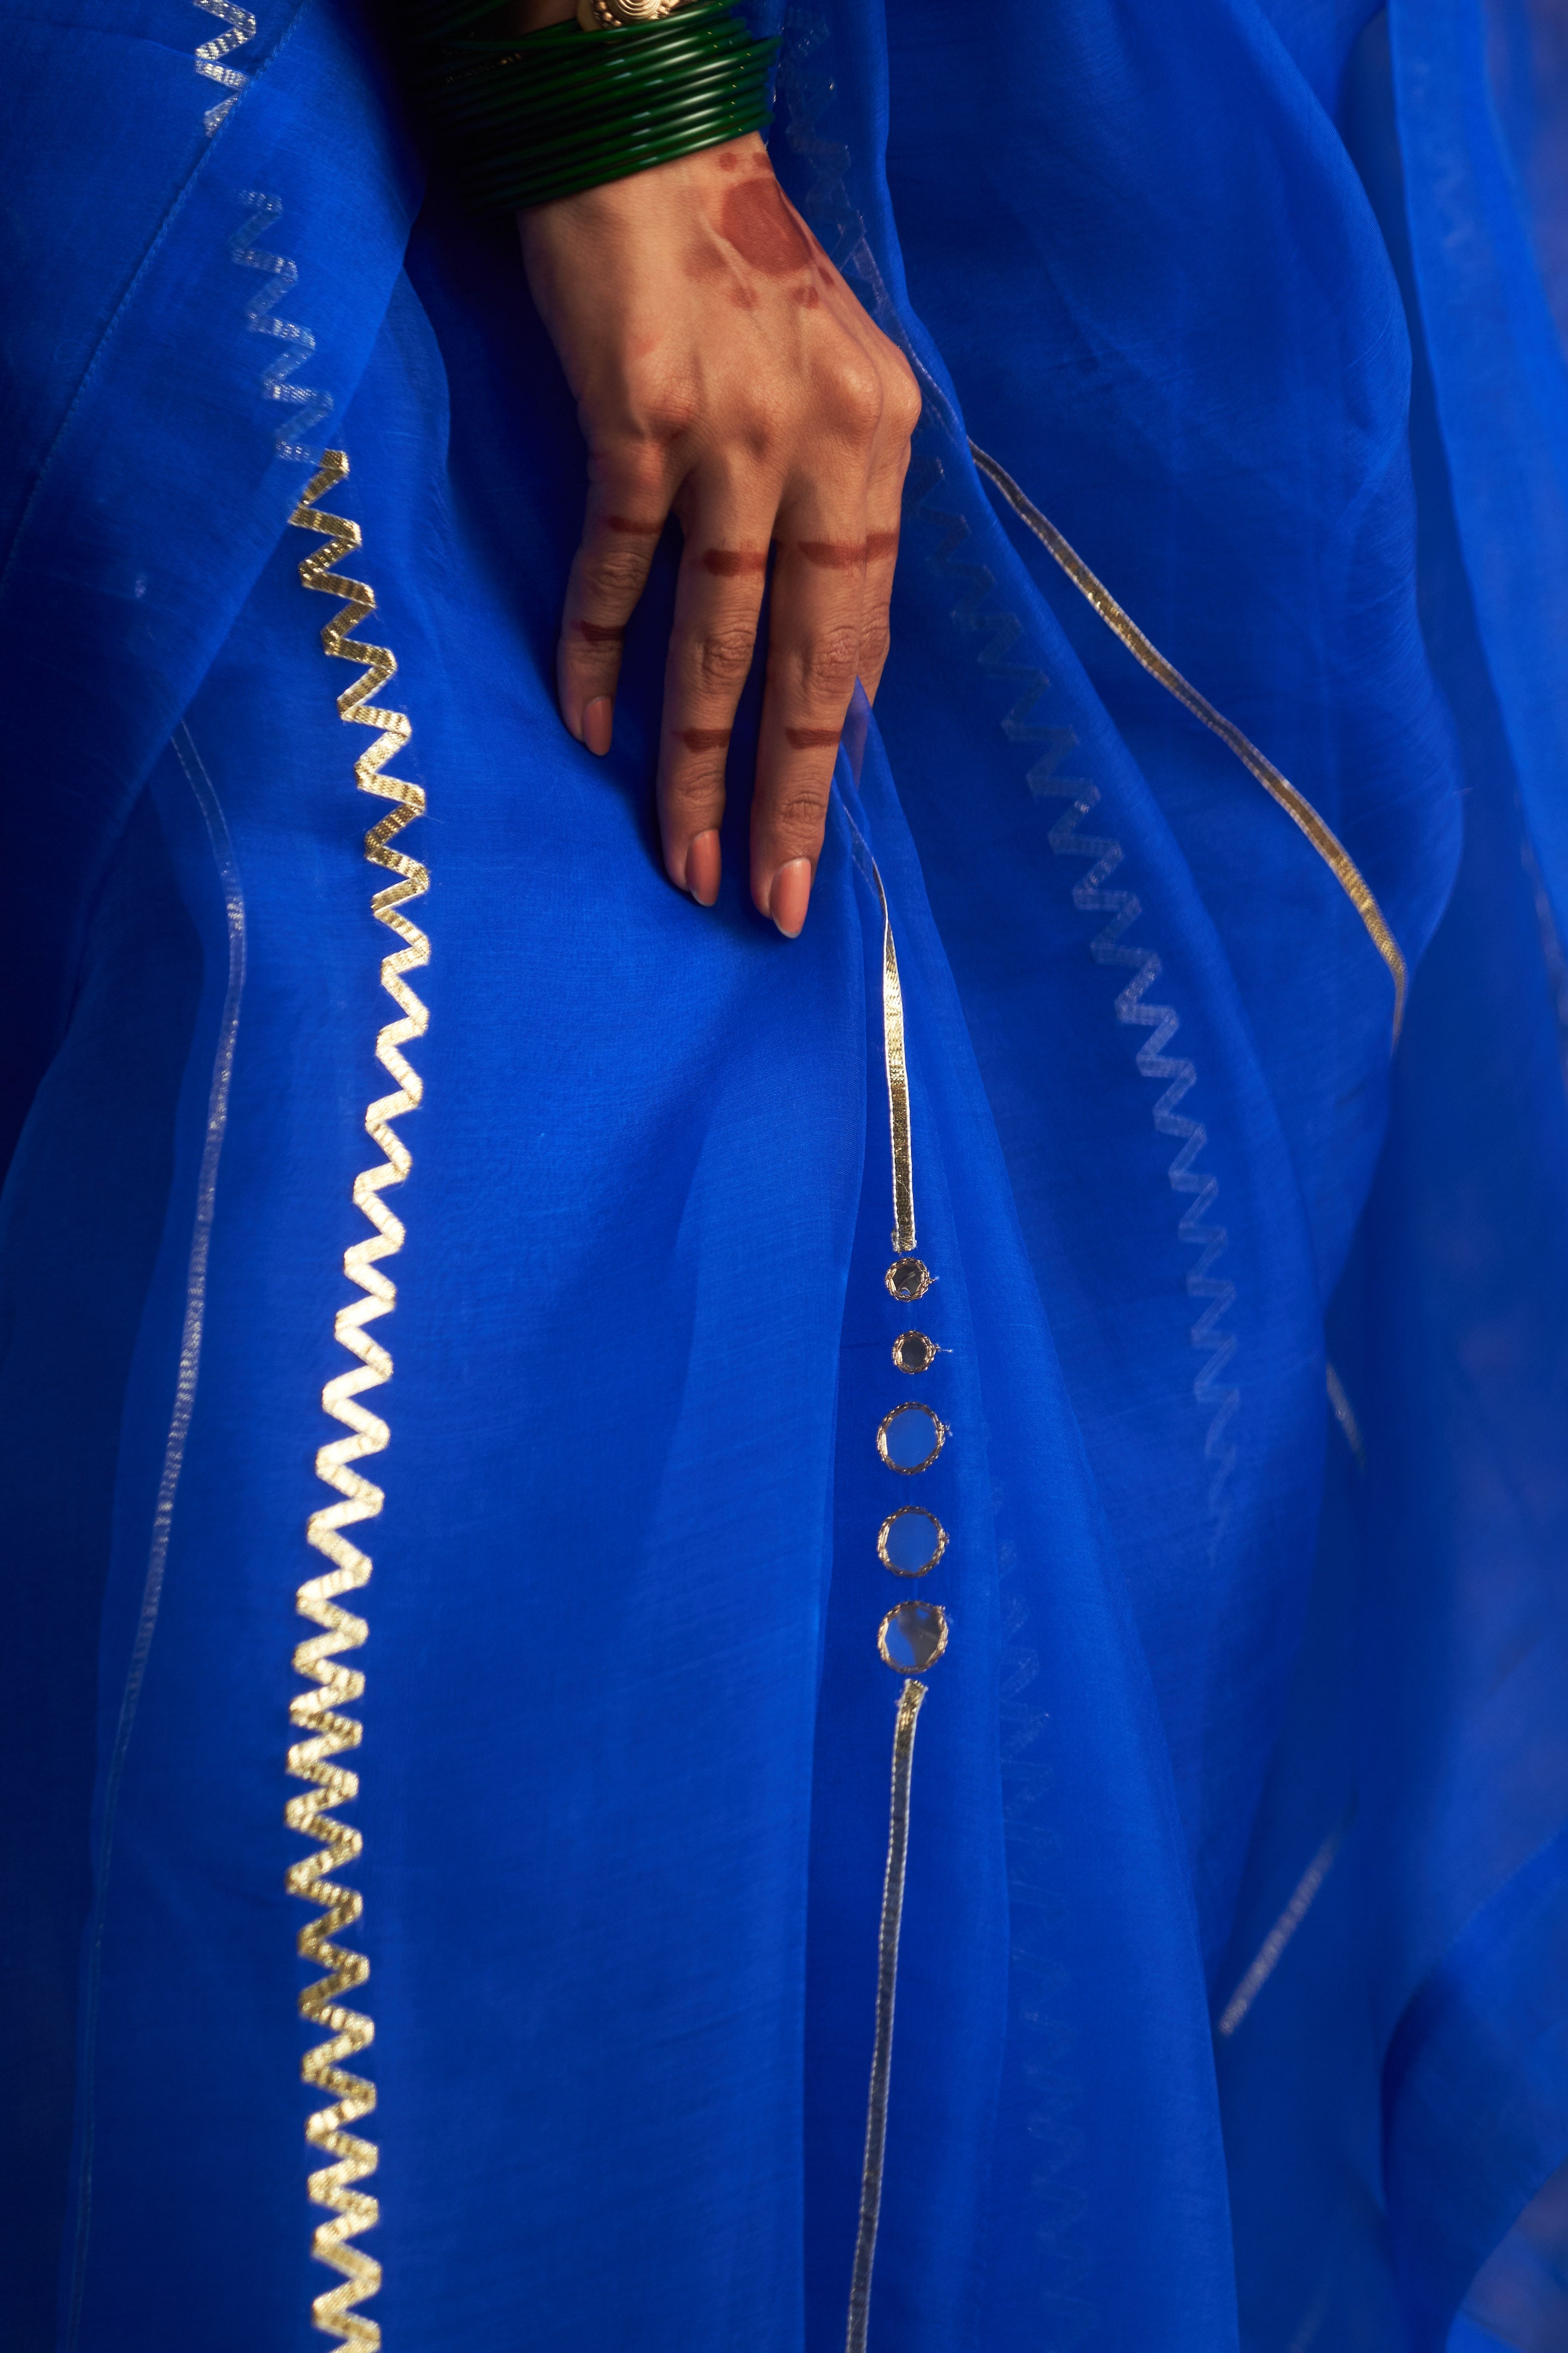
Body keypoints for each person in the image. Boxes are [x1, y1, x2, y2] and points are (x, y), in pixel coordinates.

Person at [2, 0, 1565, 2346]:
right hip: (386, 126)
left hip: (1068, 123)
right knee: (463, 1209)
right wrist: (627, 117)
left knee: (1135, 1353)